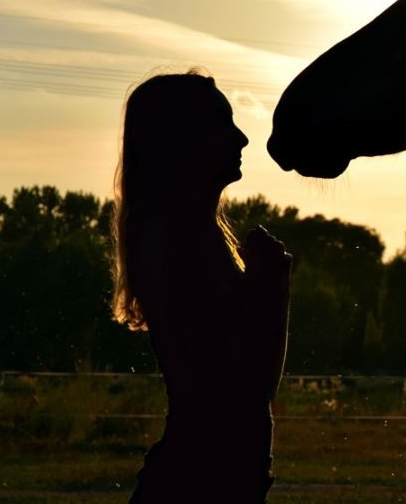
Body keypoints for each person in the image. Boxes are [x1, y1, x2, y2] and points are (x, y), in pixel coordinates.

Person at [111, 70, 291, 503]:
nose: (242, 139)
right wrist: (274, 289)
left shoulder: (186, 237)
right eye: (224, 123)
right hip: (205, 481)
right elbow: (249, 389)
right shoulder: (179, 242)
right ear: (184, 139)